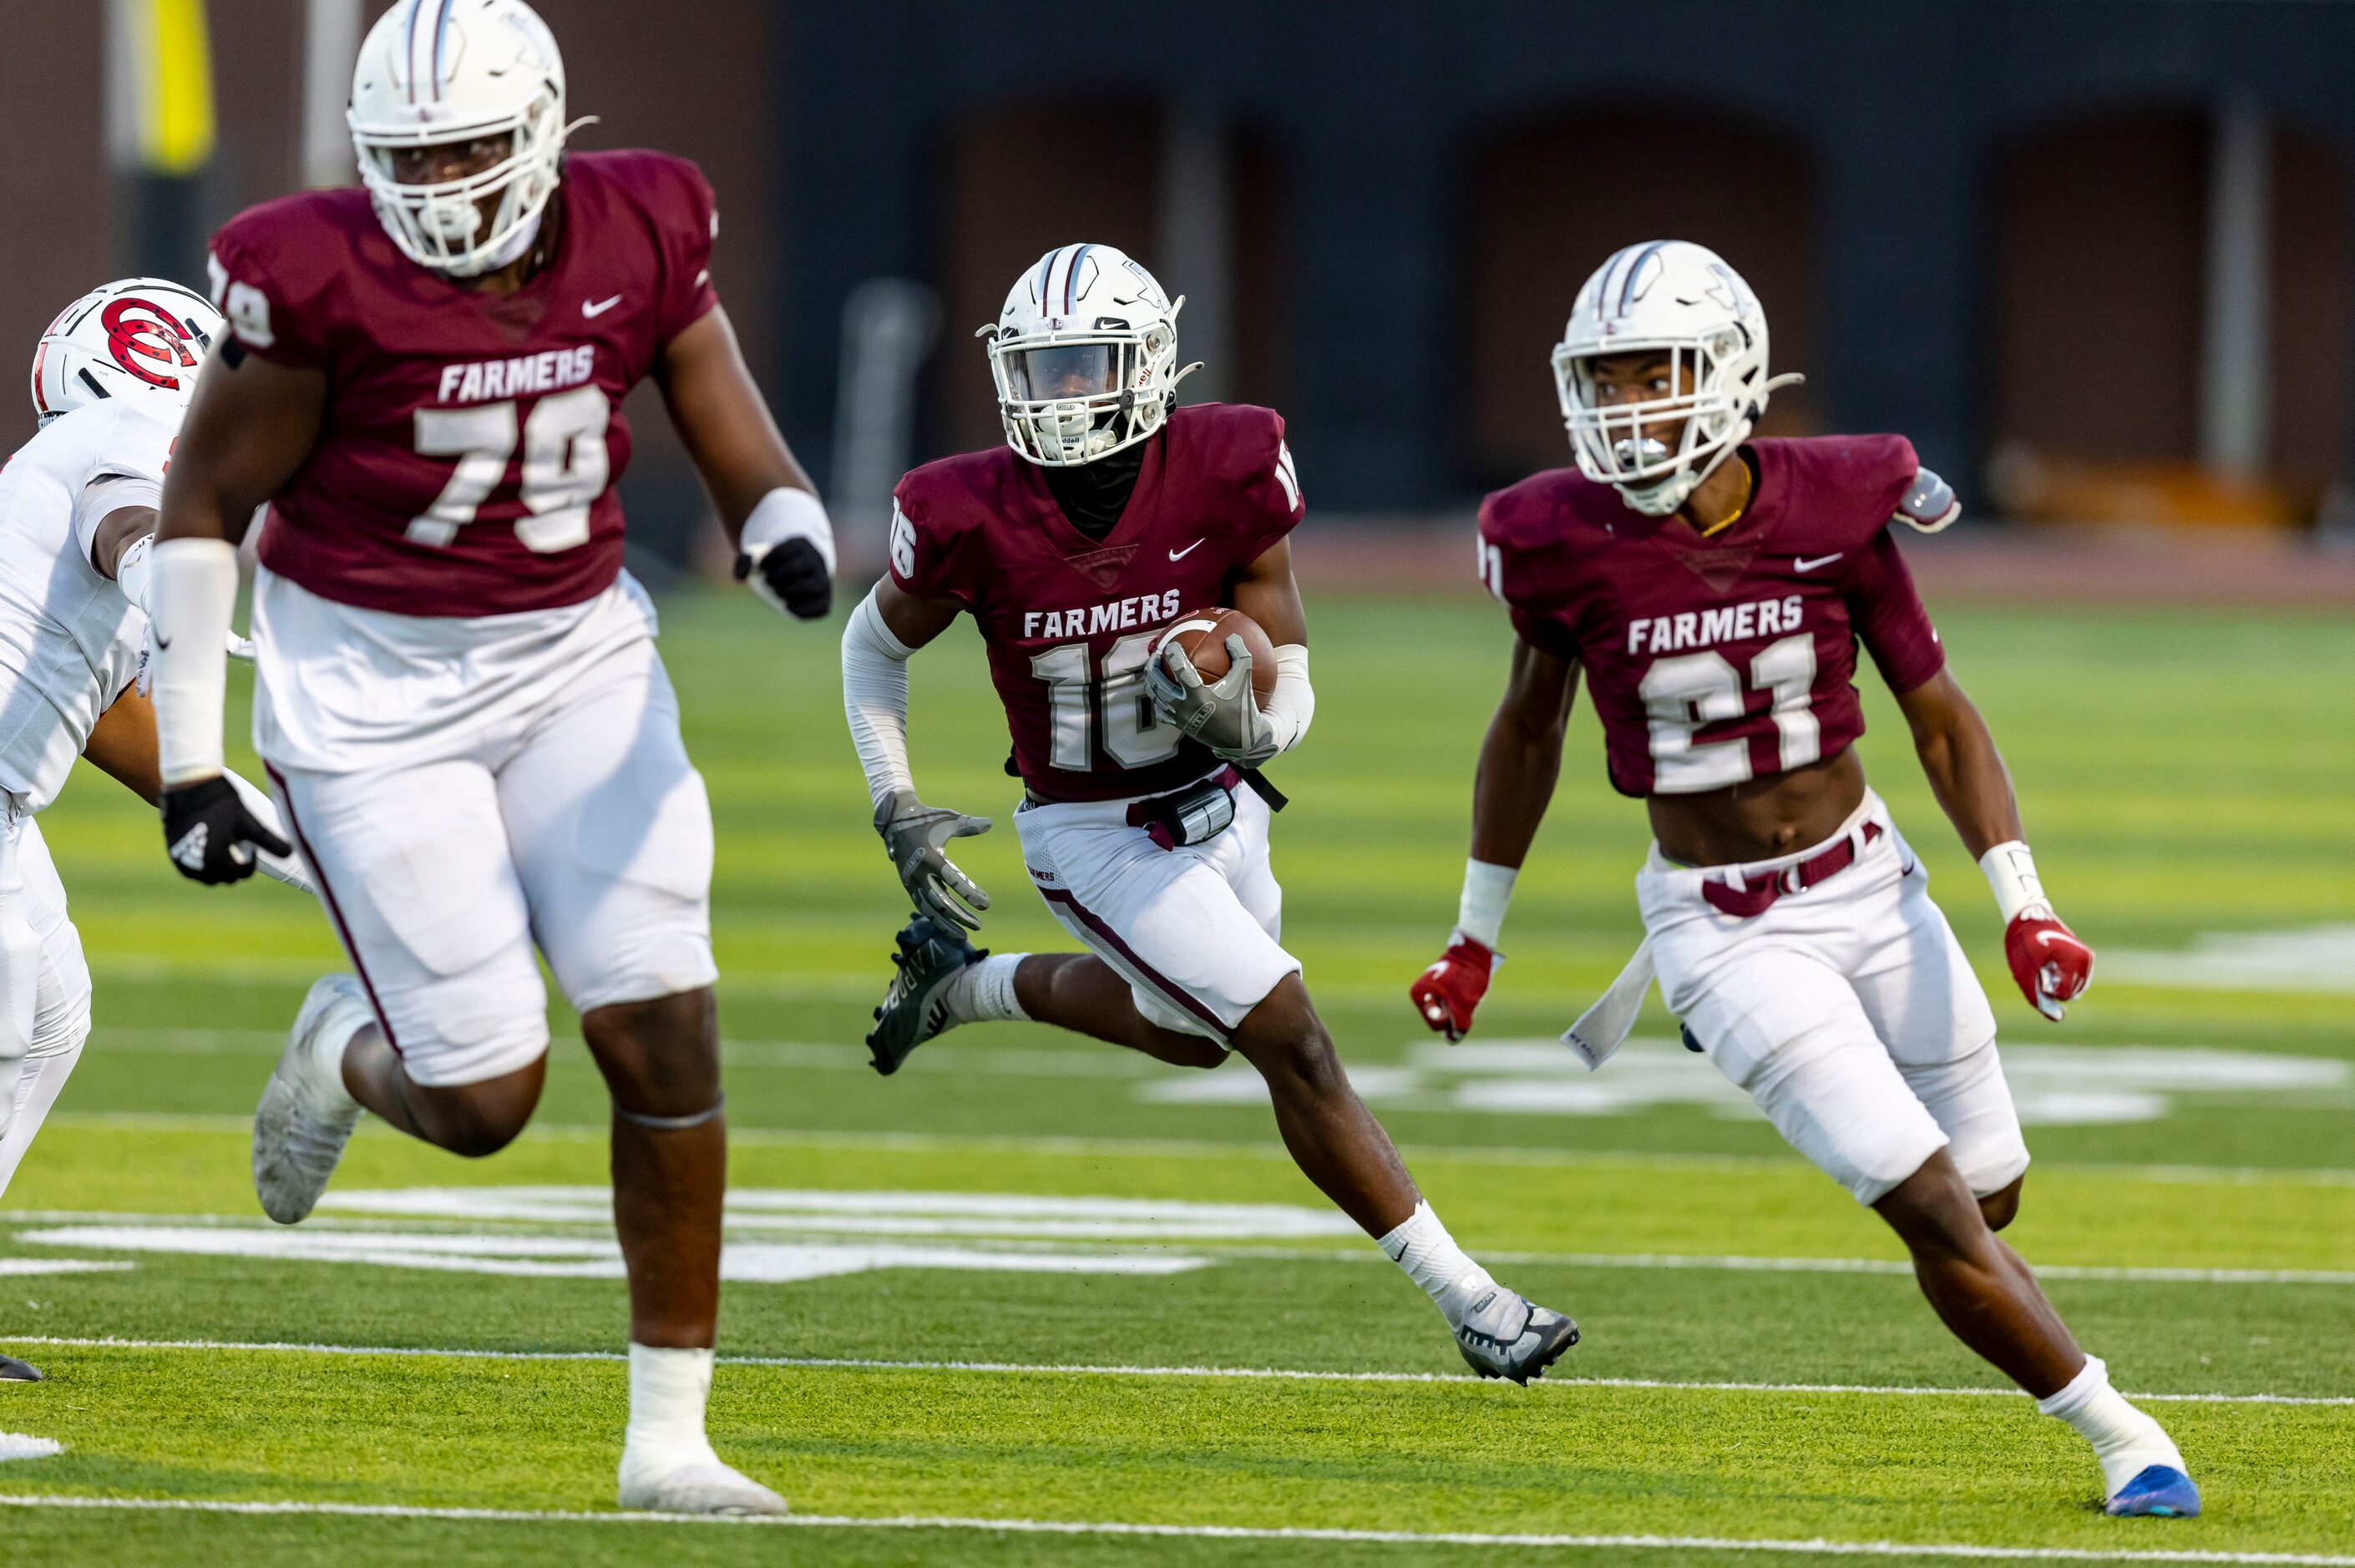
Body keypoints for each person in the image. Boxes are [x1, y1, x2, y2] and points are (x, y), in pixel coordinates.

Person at [144, 0, 833, 1515]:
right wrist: (193, 760)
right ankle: (340, 1043)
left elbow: (721, 410)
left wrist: (780, 516)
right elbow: (200, 508)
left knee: (667, 1029)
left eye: (467, 147)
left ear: (543, 129)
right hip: (370, 702)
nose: (441, 184)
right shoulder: (315, 274)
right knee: (486, 1102)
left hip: (579, 661)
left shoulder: (639, 222)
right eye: (409, 156)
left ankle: (668, 1442)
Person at [1409, 240, 2198, 1518]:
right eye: (1603, 383)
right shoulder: (1555, 536)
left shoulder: (1835, 502)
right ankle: (2125, 1433)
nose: (1625, 411)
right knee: (1933, 1203)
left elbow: (1938, 715)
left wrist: (2025, 901)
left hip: (1872, 888)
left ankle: (2001, 1301)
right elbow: (1530, 728)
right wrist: (1473, 933)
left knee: (1990, 1189)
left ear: (1727, 373)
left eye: (1652, 377)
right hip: (1720, 932)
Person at [844, 242, 1577, 1383]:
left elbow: (1284, 651)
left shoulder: (1228, 462)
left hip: (1226, 806)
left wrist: (1258, 727)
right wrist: (894, 795)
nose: (1063, 395)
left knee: (1191, 1036)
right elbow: (872, 644)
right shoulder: (965, 508)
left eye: (1088, 365)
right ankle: (1475, 1301)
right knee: (1292, 1035)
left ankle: (960, 985)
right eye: (1041, 370)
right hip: (1090, 834)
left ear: (1148, 365)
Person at [0, 278, 315, 1383]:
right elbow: (139, 530)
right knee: (4, 994)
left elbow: (140, 752)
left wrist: (324, 879)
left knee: (51, 1010)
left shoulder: (75, 468)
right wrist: (174, 571)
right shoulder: (121, 438)